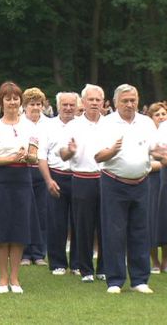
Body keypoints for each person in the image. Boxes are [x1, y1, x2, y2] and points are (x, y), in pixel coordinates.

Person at [94, 84, 157, 294]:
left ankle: (139, 280)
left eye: (133, 100)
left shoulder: (147, 122)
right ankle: (115, 280)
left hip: (141, 182)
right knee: (114, 232)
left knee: (140, 231)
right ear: (115, 102)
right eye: (125, 101)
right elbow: (98, 156)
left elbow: (154, 151)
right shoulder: (106, 123)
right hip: (114, 182)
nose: (130, 104)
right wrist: (111, 151)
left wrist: (161, 155)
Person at [0, 81, 41, 294]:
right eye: (8, 99)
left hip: (23, 180)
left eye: (15, 98)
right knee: (1, 229)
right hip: (1, 181)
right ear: (2, 102)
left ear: (20, 101)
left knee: (19, 229)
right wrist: (10, 158)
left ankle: (15, 278)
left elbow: (35, 158)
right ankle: (3, 278)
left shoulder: (30, 127)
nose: (12, 102)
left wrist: (27, 157)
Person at [60, 84, 106, 282]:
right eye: (91, 100)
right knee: (83, 225)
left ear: (103, 102)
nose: (94, 103)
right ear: (84, 102)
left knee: (105, 224)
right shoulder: (73, 125)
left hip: (106, 179)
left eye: (98, 100)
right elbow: (62, 154)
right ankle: (85, 269)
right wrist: (70, 151)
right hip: (82, 178)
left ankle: (104, 267)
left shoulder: (110, 123)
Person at [38, 92, 79, 276]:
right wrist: (48, 180)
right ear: (58, 105)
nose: (68, 108)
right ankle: (57, 263)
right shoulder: (48, 126)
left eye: (72, 104)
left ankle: (78, 263)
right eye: (65, 104)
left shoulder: (82, 125)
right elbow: (41, 156)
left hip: (79, 177)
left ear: (77, 106)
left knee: (79, 221)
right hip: (56, 175)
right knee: (56, 222)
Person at [20, 88, 50, 266]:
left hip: (42, 171)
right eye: (32, 104)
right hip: (24, 169)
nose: (36, 107)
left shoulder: (49, 124)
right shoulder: (20, 124)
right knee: (25, 212)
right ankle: (24, 253)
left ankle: (39, 253)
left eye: (39, 104)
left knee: (42, 212)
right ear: (24, 106)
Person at [147, 102, 167, 273]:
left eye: (163, 114)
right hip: (150, 181)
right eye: (157, 114)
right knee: (151, 219)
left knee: (164, 219)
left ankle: (166, 260)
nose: (161, 117)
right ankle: (154, 261)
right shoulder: (147, 134)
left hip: (164, 180)